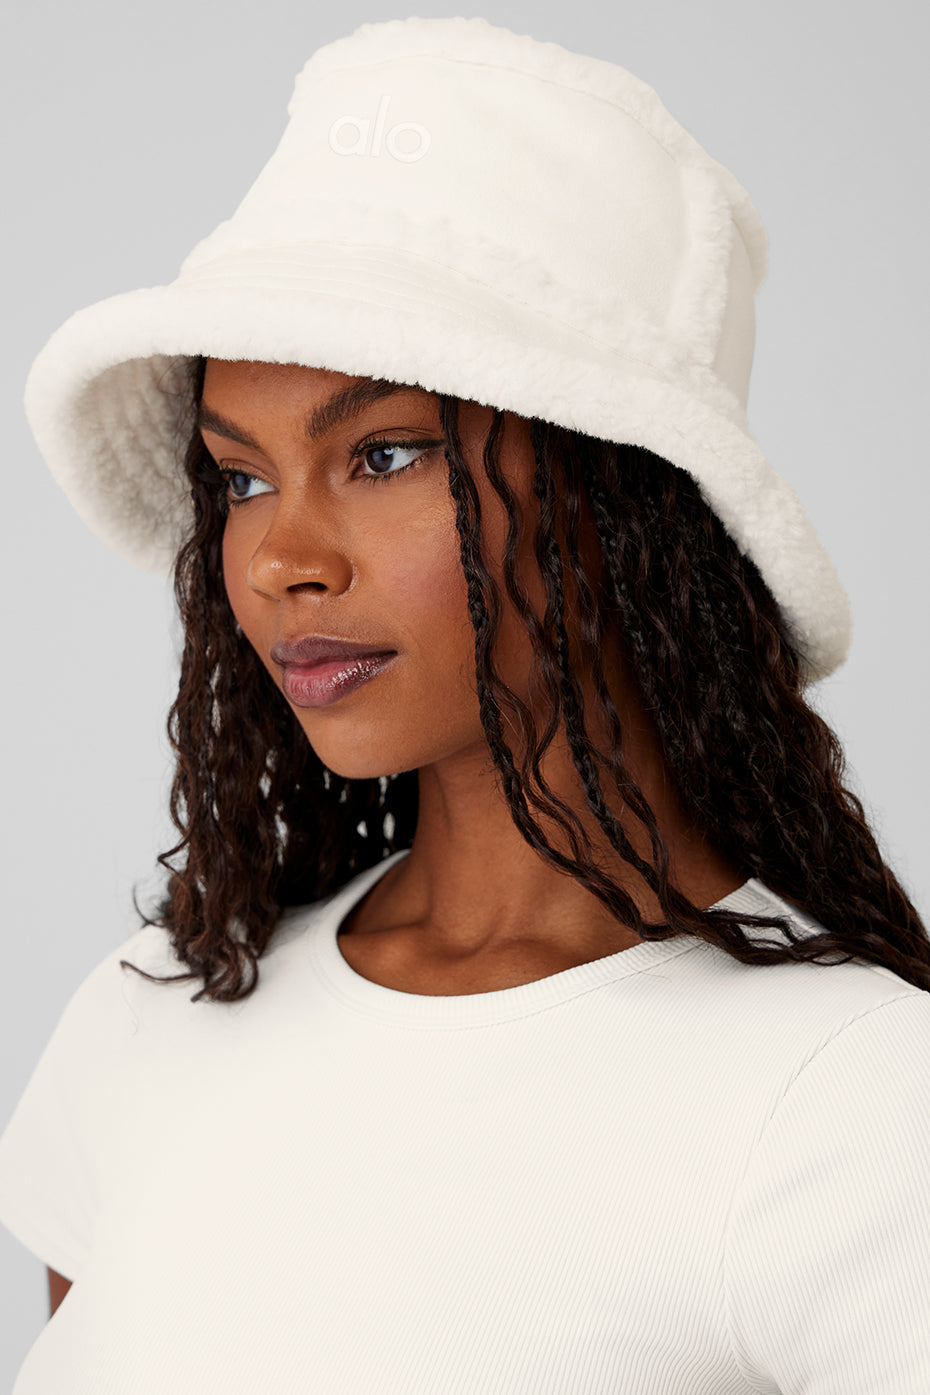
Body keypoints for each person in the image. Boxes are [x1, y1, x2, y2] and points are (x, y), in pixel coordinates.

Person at [1, 15, 928, 1393]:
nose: (280, 558)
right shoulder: (161, 1009)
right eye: (241, 478)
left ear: (620, 500)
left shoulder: (852, 1101)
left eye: (382, 454)